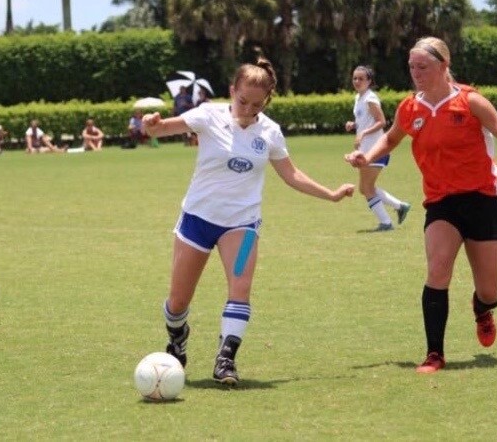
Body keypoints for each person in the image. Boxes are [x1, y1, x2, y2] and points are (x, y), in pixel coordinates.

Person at [142, 57, 355, 385]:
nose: (248, 110)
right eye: (243, 101)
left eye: (257, 105)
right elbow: (162, 128)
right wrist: (152, 124)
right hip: (197, 220)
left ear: (266, 101)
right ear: (232, 90)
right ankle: (178, 337)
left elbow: (291, 174)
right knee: (178, 302)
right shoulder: (208, 115)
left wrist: (331, 194)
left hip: (242, 225)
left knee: (240, 288)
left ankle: (225, 359)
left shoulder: (270, 132)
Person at [345, 37, 497, 374]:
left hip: (482, 200)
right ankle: (434, 354)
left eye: (423, 67)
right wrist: (366, 156)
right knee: (438, 271)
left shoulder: (470, 101)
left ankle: (482, 309)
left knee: (490, 291)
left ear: (444, 66)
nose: (415, 73)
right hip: (441, 203)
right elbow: (391, 138)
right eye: (412, 67)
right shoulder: (410, 108)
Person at [345, 65, 411, 231]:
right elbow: (366, 120)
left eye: (361, 78)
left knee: (366, 188)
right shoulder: (359, 98)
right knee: (365, 188)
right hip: (366, 150)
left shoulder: (370, 98)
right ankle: (400, 206)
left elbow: (381, 121)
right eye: (355, 78)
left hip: (375, 149)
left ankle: (386, 222)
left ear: (369, 81)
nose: (357, 81)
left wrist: (363, 133)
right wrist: (354, 125)